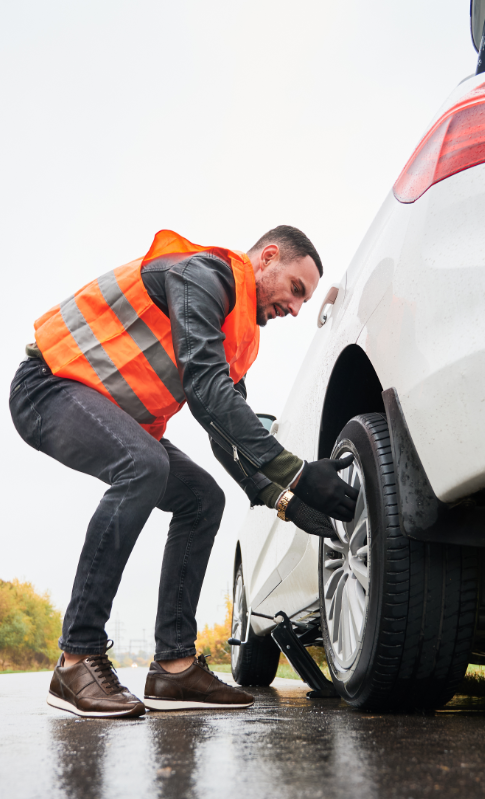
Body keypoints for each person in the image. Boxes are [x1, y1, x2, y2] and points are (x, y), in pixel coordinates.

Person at [9, 226, 358, 718]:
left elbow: (227, 434)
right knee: (143, 465)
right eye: (296, 290)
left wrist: (289, 502)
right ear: (269, 257)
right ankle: (76, 658)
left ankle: (173, 670)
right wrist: (300, 473)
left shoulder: (237, 335)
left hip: (109, 412)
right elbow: (205, 391)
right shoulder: (204, 275)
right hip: (47, 387)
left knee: (202, 498)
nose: (296, 309)